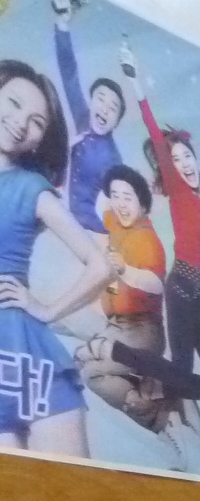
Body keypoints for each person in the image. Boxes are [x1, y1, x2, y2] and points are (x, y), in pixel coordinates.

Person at [92, 45, 200, 446]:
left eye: (187, 156)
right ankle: (161, 404)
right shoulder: (177, 193)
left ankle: (140, 370)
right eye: (175, 160)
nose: (184, 164)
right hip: (180, 289)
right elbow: (155, 135)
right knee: (180, 369)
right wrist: (134, 80)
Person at [0, 58, 114, 455]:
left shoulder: (31, 187)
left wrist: (46, 310)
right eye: (13, 103)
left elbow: (101, 266)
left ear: (39, 140)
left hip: (25, 355)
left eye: (36, 122)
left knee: (66, 491)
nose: (20, 123)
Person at [76, 165, 165, 428]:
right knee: (78, 358)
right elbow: (100, 205)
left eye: (128, 198)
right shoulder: (116, 223)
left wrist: (125, 270)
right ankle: (144, 381)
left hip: (142, 332)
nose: (120, 204)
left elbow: (156, 285)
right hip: (116, 327)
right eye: (115, 196)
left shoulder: (147, 241)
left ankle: (153, 415)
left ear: (143, 204)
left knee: (92, 374)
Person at [50, 0, 127, 237]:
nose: (105, 108)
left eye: (112, 108)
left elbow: (117, 205)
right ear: (91, 101)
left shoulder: (113, 160)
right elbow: (69, 75)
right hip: (56, 211)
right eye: (101, 99)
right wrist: (62, 24)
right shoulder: (83, 118)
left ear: (116, 122)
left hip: (87, 230)